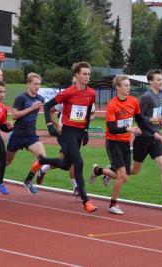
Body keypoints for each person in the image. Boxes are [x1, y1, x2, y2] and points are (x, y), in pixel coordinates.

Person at [89, 75, 162, 215]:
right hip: (113, 142)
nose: (129, 88)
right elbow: (111, 128)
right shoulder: (112, 104)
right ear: (118, 87)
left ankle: (98, 170)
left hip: (125, 142)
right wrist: (128, 129)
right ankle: (112, 205)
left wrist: (153, 131)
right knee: (122, 176)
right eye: (126, 85)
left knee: (125, 177)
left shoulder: (134, 101)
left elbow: (140, 120)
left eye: (129, 85)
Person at [37, 62, 97, 213]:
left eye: (88, 74)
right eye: (84, 74)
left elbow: (88, 112)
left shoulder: (91, 93)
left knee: (64, 165)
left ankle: (42, 160)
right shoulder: (68, 92)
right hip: (68, 132)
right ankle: (86, 201)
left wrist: (86, 131)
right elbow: (47, 106)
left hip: (79, 133)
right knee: (79, 162)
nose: (87, 77)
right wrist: (50, 125)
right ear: (76, 75)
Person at [131, 69, 162, 210]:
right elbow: (139, 119)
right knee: (134, 171)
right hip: (143, 139)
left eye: (161, 79)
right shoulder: (146, 97)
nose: (161, 82)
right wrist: (153, 132)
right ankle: (107, 171)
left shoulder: (161, 96)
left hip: (155, 138)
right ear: (151, 82)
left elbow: (153, 116)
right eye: (158, 80)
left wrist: (160, 122)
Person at [5, 72, 46, 194]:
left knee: (42, 158)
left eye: (39, 84)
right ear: (28, 84)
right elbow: (14, 116)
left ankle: (28, 180)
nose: (37, 86)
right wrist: (31, 108)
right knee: (6, 162)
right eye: (35, 84)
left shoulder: (41, 99)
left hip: (31, 136)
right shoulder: (21, 98)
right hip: (17, 135)